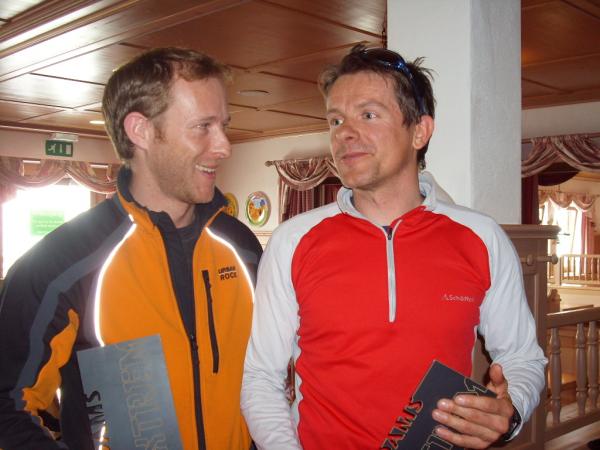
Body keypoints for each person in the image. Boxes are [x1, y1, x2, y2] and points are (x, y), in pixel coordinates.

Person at [241, 44, 547, 449]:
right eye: (335, 119)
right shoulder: (292, 241)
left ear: (419, 131)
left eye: (368, 114)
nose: (344, 133)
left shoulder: (481, 237)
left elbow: (523, 357)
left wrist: (511, 410)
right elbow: (261, 377)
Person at [0, 47, 262, 450]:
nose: (224, 146)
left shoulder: (242, 248)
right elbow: (9, 406)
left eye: (223, 125)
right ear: (140, 131)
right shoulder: (61, 264)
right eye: (203, 127)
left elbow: (266, 377)